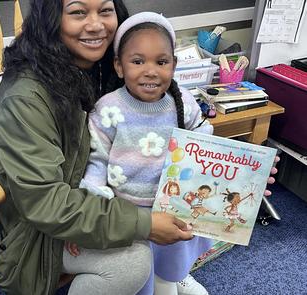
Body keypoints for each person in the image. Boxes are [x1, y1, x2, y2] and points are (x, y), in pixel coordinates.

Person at [0, 1, 197, 295]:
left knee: (177, 214)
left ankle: (166, 277)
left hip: (94, 198)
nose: (96, 25)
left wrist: (244, 174)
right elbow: (46, 204)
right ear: (53, 19)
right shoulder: (26, 98)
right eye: (78, 12)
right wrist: (143, 223)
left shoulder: (102, 67)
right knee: (132, 262)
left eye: (105, 11)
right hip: (36, 231)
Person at [68, 12, 213, 295]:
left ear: (173, 64)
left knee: (175, 251)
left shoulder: (182, 100)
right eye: (138, 61)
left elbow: (203, 136)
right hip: (128, 208)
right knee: (142, 266)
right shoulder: (108, 109)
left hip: (174, 199)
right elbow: (96, 161)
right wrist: (86, 216)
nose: (151, 71)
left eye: (161, 62)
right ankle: (158, 282)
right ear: (119, 67)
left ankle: (173, 277)